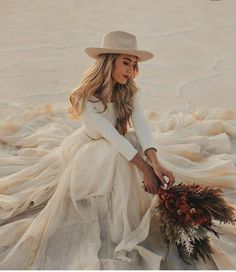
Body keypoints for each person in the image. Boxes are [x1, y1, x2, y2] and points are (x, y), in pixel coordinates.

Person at [0, 30, 235, 270]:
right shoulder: (86, 97)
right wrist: (144, 169)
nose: (131, 70)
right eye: (126, 62)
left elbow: (141, 125)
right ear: (108, 61)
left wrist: (154, 162)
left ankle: (138, 198)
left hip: (121, 146)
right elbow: (110, 136)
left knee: (134, 142)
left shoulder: (130, 91)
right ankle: (117, 216)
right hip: (91, 154)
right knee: (116, 153)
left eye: (134, 65)